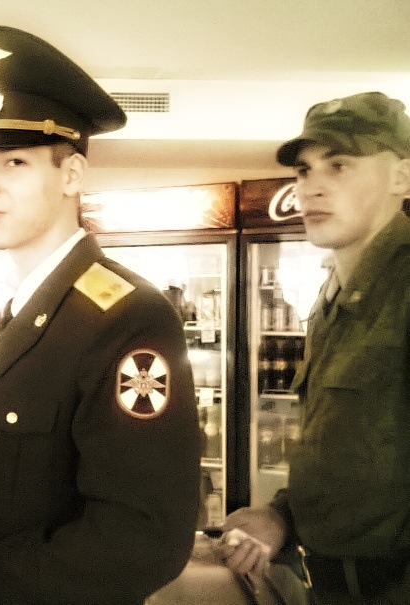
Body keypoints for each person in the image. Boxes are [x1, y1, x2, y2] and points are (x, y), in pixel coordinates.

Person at [0, 25, 201, 605]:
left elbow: (143, 538)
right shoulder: (24, 308)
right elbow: (18, 487)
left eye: (14, 162)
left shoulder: (127, 317)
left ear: (71, 175)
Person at [219, 92, 410, 604]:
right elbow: (347, 457)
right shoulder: (333, 299)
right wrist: (280, 516)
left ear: (402, 177)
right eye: (304, 170)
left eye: (339, 165)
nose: (312, 187)